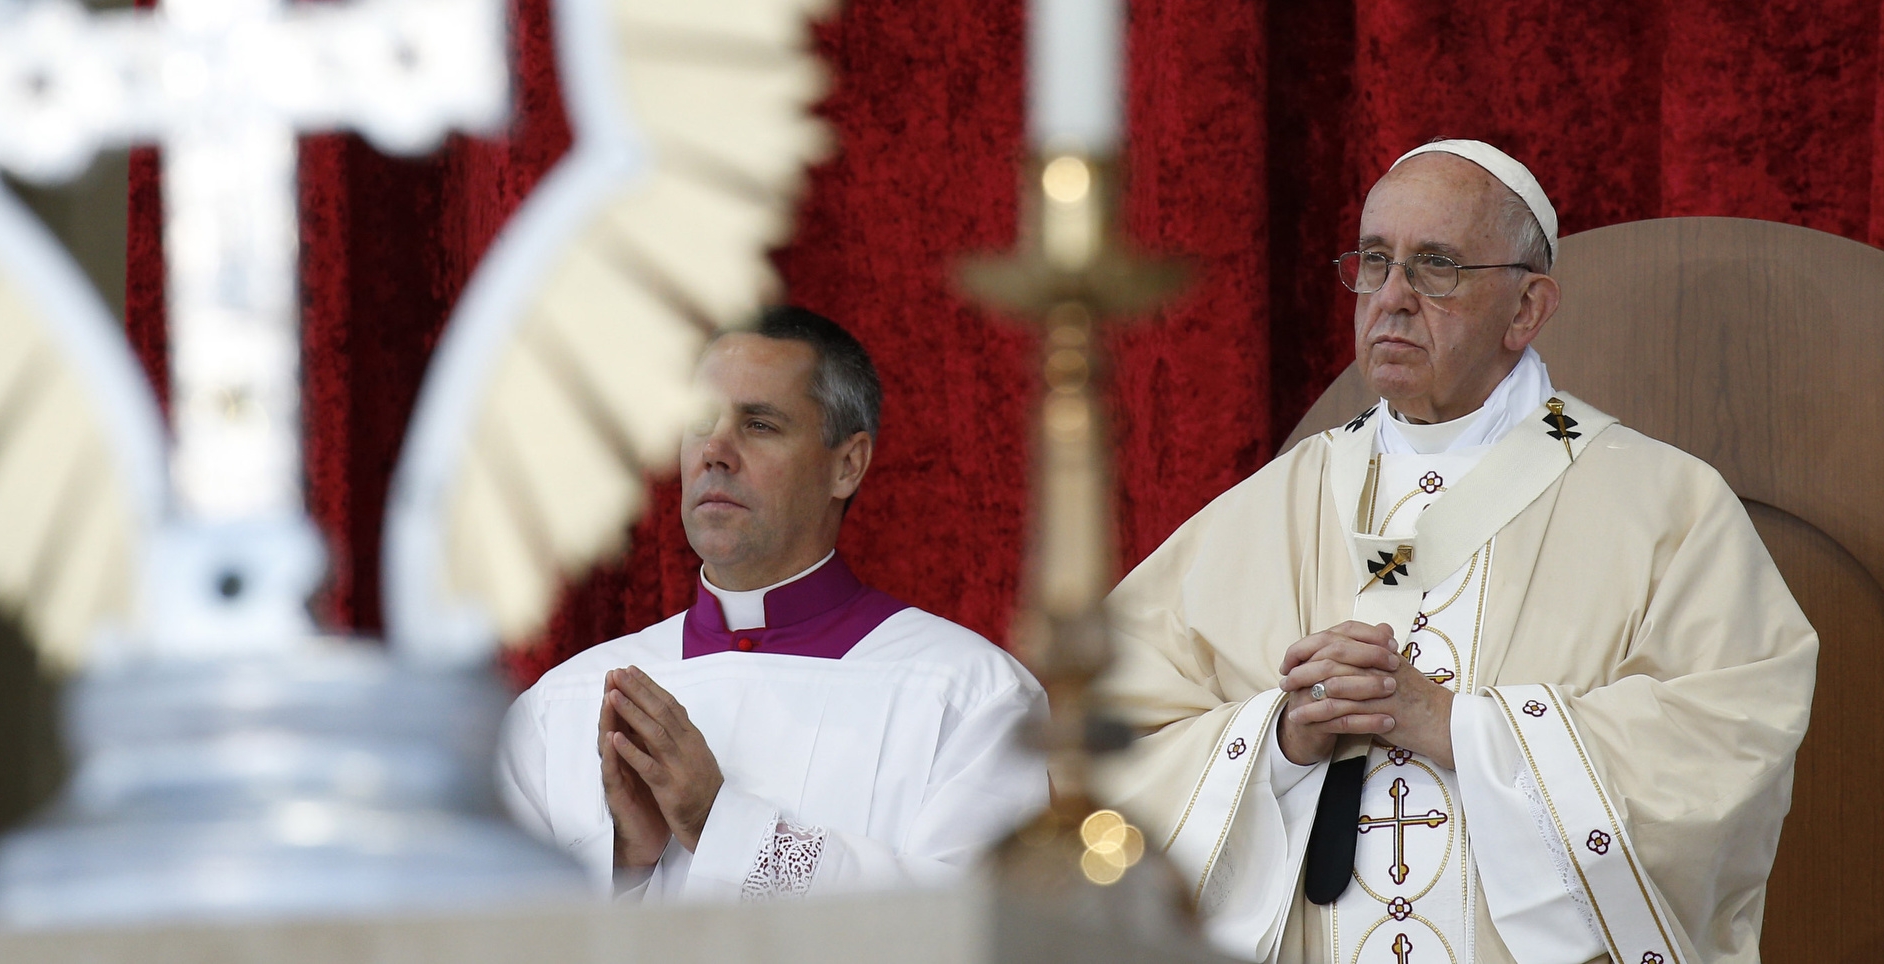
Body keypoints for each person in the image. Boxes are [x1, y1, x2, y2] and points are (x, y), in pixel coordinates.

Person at [1100, 140, 1816, 964]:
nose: (1393, 300)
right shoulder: (1268, 509)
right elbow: (1116, 737)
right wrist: (1281, 739)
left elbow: (1730, 737)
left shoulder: (1667, 507)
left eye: (1436, 267)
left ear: (1526, 309)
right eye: (1375, 263)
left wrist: (1460, 728)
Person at [499, 305, 1048, 900]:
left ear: (847, 464)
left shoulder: (971, 699)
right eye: (699, 421)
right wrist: (625, 865)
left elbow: (984, 932)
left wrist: (724, 827)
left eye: (759, 425)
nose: (715, 451)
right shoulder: (562, 707)